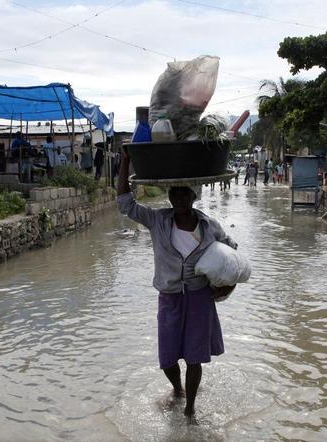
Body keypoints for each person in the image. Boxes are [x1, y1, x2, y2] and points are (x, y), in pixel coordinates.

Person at [116, 145, 237, 420]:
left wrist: (227, 286)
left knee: (195, 357)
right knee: (168, 358)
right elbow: (125, 203)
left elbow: (232, 257)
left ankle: (190, 408)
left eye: (185, 192)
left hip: (199, 298)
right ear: (169, 195)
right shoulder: (158, 220)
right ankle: (177, 389)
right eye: (175, 192)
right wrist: (124, 161)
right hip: (170, 297)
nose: (179, 198)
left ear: (194, 195)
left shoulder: (209, 226)